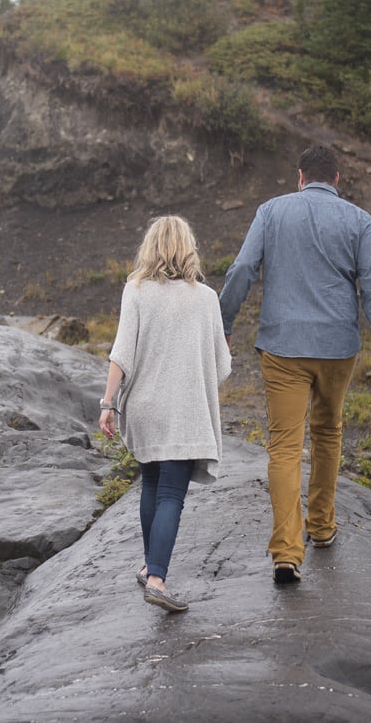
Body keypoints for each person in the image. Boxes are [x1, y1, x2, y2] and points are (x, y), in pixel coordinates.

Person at [219, 144, 371, 585]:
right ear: (337, 180)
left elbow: (243, 268)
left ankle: (286, 552)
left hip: (282, 346)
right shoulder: (359, 220)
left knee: (283, 446)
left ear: (299, 176)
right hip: (338, 346)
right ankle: (321, 527)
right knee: (327, 431)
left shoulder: (270, 211)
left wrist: (223, 323)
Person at [99, 215, 230, 614]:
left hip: (144, 408)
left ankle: (147, 564)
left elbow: (122, 352)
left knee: (152, 487)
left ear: (151, 248)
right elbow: (222, 366)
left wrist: (108, 403)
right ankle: (157, 578)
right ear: (188, 248)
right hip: (183, 412)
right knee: (172, 493)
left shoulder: (136, 290)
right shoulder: (206, 298)